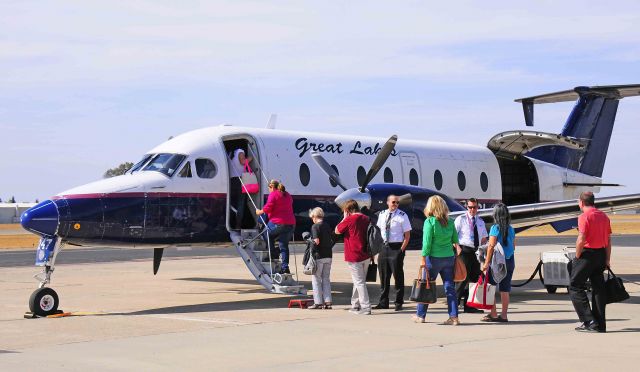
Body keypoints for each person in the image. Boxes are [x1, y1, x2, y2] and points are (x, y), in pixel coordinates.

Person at [569, 191, 611, 333]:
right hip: (601, 254)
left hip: (587, 255)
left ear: (581, 202)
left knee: (575, 286)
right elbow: (609, 240)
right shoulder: (604, 216)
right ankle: (600, 324)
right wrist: (607, 259)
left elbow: (581, 238)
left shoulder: (583, 216)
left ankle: (589, 321)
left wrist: (577, 256)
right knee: (598, 288)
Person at [415, 195, 461, 325]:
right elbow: (455, 240)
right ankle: (454, 317)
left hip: (433, 259)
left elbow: (426, 243)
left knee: (426, 286)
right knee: (450, 288)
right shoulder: (450, 222)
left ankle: (420, 315)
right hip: (448, 258)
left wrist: (423, 258)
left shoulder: (430, 222)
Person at [374, 194, 412, 311]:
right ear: (388, 202)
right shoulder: (382, 215)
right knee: (384, 276)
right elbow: (379, 231)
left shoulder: (402, 216)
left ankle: (398, 302)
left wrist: (401, 250)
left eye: (397, 202)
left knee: (398, 276)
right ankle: (383, 302)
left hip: (396, 248)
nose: (395, 204)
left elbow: (407, 235)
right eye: (393, 202)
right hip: (384, 247)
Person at [481, 203, 516, 323]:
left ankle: (494, 314)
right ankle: (504, 315)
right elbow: (514, 246)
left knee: (491, 287)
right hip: (510, 260)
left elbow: (491, 246)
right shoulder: (511, 229)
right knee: (505, 289)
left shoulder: (494, 228)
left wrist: (486, 263)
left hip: (497, 262)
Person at [335, 200, 372, 315]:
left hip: (353, 255)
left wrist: (344, 218)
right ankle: (355, 304)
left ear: (347, 210)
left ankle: (366, 307)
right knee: (358, 281)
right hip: (366, 254)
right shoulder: (366, 218)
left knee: (359, 282)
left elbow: (337, 231)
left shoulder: (350, 219)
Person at [454, 197, 488, 313]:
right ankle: (454, 305)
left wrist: (484, 249)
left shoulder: (480, 222)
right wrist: (457, 247)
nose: (472, 209)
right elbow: (453, 235)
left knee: (474, 279)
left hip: (476, 252)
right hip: (464, 251)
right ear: (466, 207)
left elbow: (484, 238)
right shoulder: (460, 219)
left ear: (478, 207)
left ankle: (469, 306)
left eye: (474, 207)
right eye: (470, 207)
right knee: (462, 278)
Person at [256, 180, 295, 274]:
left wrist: (259, 212)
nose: (269, 190)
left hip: (278, 222)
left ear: (272, 187)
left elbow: (268, 207)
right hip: (291, 223)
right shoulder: (287, 195)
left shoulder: (273, 194)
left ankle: (273, 254)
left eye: (269, 188)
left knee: (266, 233)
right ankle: (285, 267)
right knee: (283, 245)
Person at [308, 207, 335, 310]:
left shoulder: (315, 226)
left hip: (319, 256)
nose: (312, 219)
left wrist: (311, 248)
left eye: (312, 217)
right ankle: (328, 302)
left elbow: (316, 241)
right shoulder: (327, 225)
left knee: (316, 279)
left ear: (315, 216)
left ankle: (318, 302)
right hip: (328, 255)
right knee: (326, 279)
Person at [227, 147, 252, 230]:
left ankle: (230, 222)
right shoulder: (240, 151)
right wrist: (250, 158)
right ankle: (238, 225)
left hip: (231, 181)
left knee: (232, 203)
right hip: (239, 180)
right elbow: (243, 162)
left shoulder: (230, 154)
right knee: (240, 204)